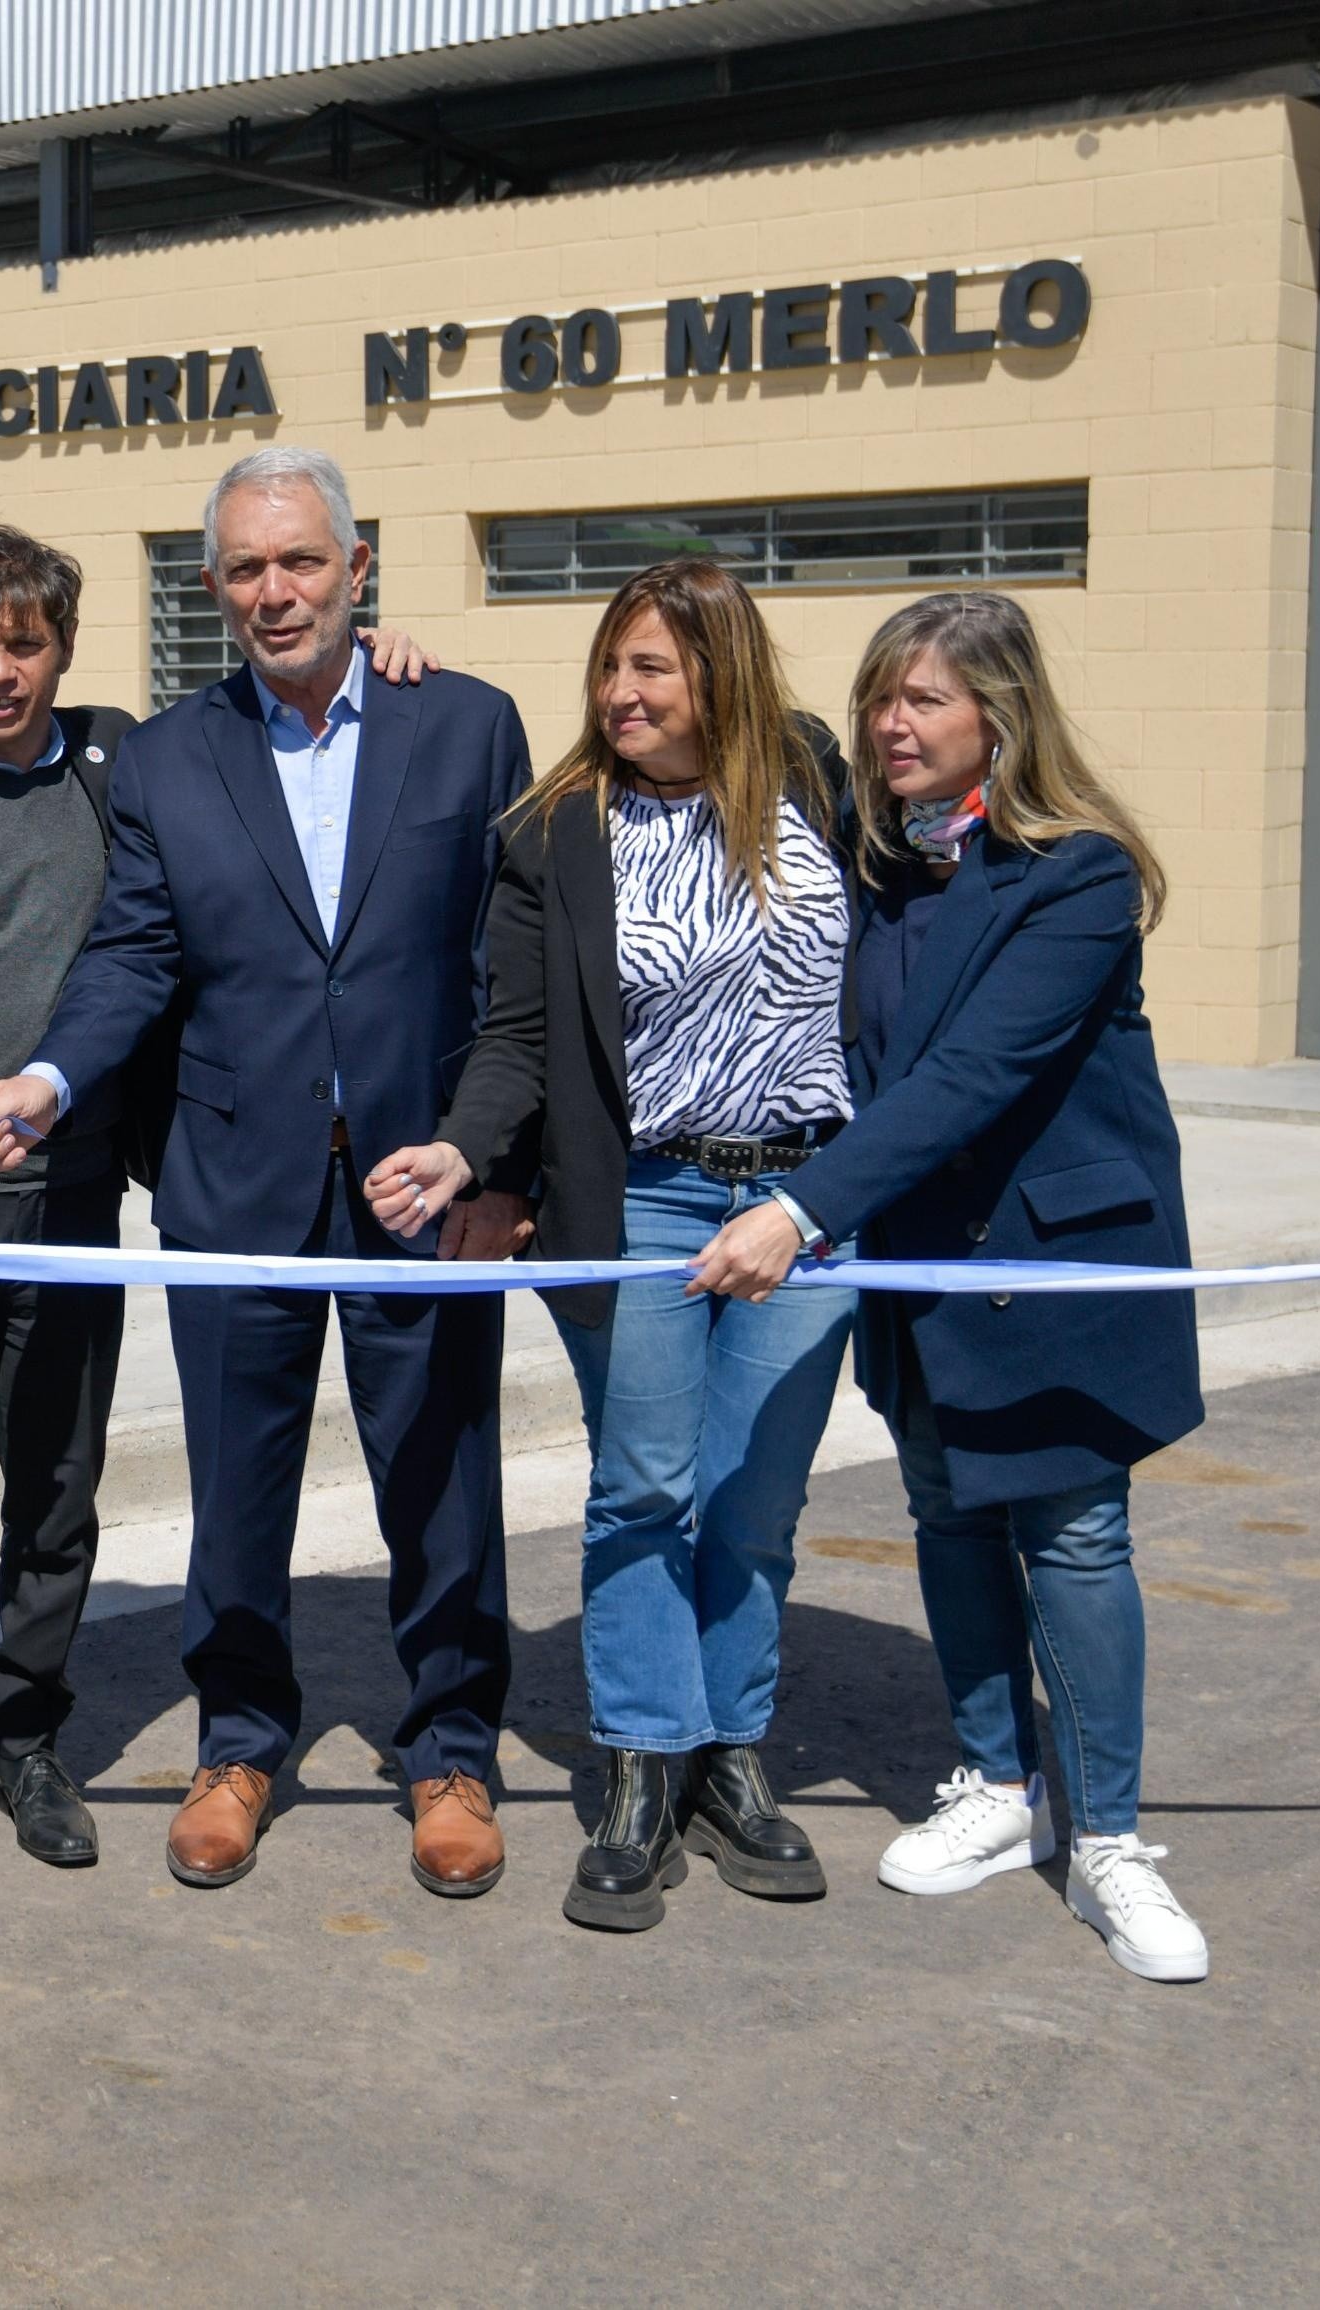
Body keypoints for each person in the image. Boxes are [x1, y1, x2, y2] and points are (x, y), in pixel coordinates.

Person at [0, 524, 443, 1879]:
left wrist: (387, 652)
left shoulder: (123, 764)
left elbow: (282, 719)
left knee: (58, 1487)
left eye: (23, 642)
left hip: (71, 1199)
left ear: (64, 649)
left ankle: (31, 1741)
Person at [0, 445, 534, 1900]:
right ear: (213, 588)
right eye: (246, 569)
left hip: (418, 1177)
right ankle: (239, 1739)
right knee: (240, 1485)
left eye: (302, 562)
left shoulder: (463, 725)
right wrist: (50, 1073)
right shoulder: (162, 755)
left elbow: (504, 963)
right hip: (235, 1175)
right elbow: (137, 951)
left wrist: (493, 1155)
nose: (276, 592)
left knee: (443, 1474)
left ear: (358, 569)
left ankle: (453, 1749)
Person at [687, 588, 1213, 1984]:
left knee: (1076, 1536)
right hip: (924, 1266)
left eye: (923, 699)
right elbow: (728, 716)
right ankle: (997, 1779)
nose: (889, 723)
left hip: (1054, 1267)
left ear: (1001, 716)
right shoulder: (882, 864)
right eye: (879, 698)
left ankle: (1109, 1836)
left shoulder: (1078, 875)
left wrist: (799, 1212)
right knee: (948, 1513)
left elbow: (978, 1075)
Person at [377, 558, 855, 1933]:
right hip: (638, 1198)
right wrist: (470, 1151)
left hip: (808, 1203)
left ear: (727, 674)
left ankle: (731, 1761)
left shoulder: (816, 780)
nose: (622, 692)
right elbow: (516, 1029)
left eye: (656, 667)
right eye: (611, 664)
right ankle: (647, 1765)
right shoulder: (558, 826)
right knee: (645, 1485)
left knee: (755, 1495)